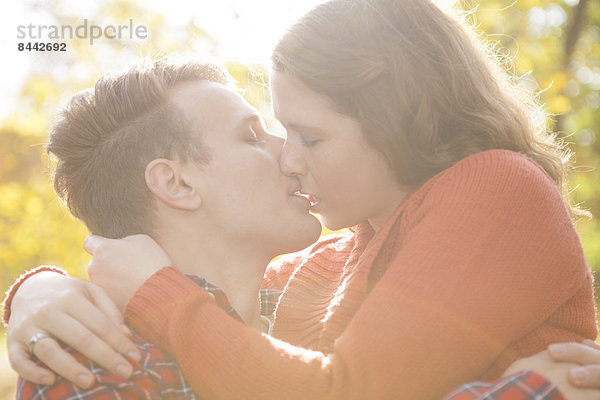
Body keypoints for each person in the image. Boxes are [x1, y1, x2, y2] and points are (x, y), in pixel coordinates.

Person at [4, 0, 600, 398]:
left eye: (309, 136)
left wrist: (155, 292)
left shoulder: (495, 189)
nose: (289, 158)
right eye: (262, 134)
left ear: (395, 121)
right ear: (176, 183)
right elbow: (233, 300)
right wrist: (37, 291)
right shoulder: (321, 265)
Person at [10, 54, 323, 398]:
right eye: (251, 136)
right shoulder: (100, 365)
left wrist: (33, 286)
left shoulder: (327, 306)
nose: (290, 152)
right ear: (177, 184)